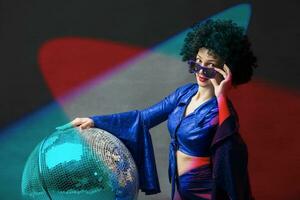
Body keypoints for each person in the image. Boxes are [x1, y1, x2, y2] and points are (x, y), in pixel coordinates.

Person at [56, 19, 257, 200]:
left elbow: (229, 147)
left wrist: (221, 95)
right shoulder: (184, 94)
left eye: (210, 66)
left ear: (226, 70)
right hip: (179, 186)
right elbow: (143, 118)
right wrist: (95, 121)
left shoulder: (222, 111)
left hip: (205, 191)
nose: (201, 71)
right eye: (198, 61)